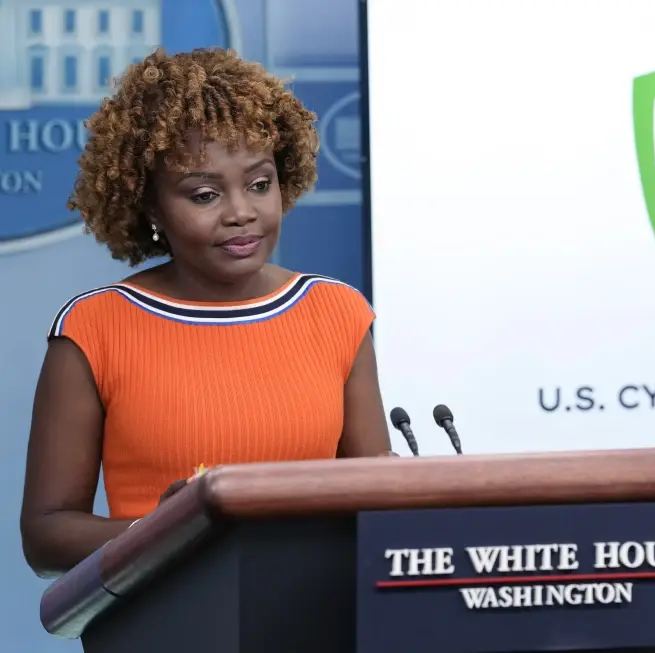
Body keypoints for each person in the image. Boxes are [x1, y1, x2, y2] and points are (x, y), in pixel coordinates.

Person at [19, 48, 394, 577]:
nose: (241, 212)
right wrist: (165, 529)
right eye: (203, 195)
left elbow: (374, 497)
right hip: (166, 611)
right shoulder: (93, 328)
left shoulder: (338, 313)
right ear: (151, 205)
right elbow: (46, 535)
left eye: (260, 185)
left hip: (316, 605)